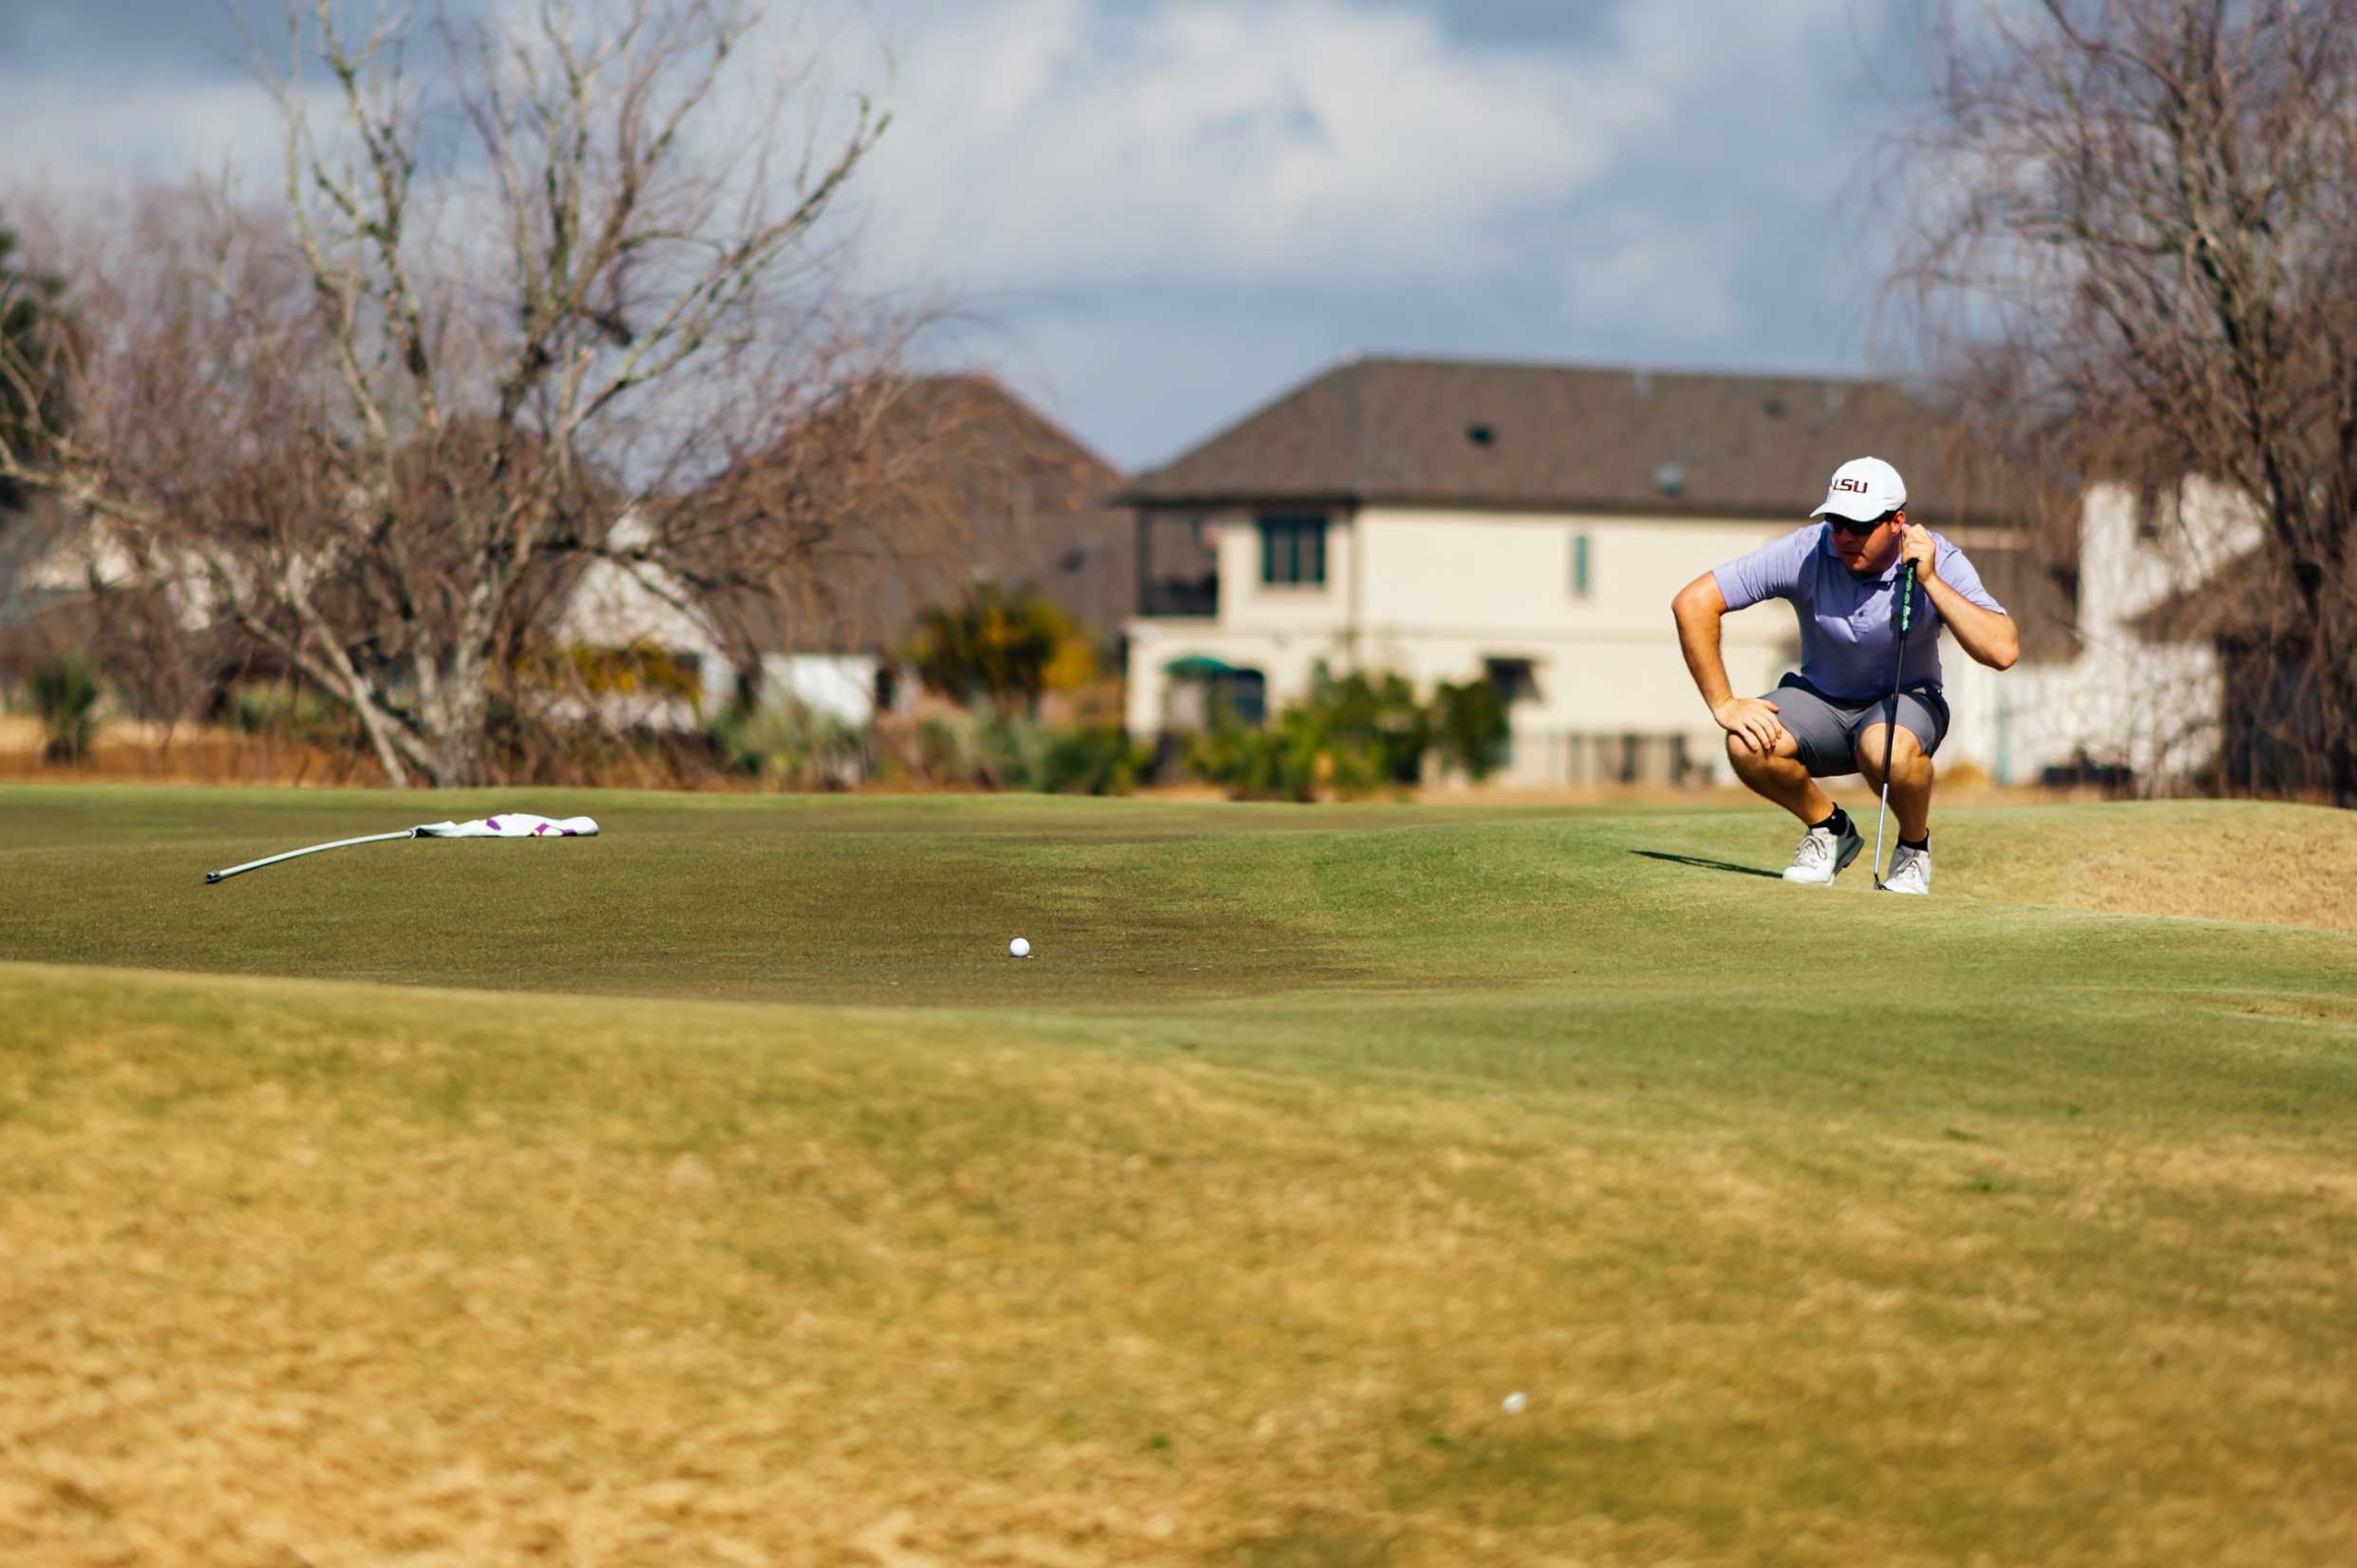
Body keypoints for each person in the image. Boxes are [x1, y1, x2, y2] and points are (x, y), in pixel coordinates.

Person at [1669, 457, 2019, 895]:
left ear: (1897, 522)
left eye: (1859, 525)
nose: (1844, 537)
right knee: (1746, 743)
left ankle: (1913, 849)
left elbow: (2003, 650)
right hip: (1823, 703)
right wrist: (1724, 703)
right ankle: (1829, 829)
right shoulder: (1807, 551)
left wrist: (1930, 580)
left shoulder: (1940, 559)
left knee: (1882, 748)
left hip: (1907, 702)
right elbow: (1693, 603)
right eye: (1836, 522)